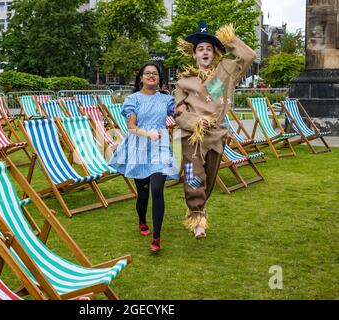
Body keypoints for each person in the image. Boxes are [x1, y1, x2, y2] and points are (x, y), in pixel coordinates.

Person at [174, 20, 257, 239]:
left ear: (214, 52)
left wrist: (229, 40)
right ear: (194, 54)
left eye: (208, 48)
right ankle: (197, 217)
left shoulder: (226, 71)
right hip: (193, 135)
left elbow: (249, 57)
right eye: (200, 49)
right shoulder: (184, 81)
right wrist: (196, 122)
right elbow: (178, 111)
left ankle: (199, 210)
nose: (204, 52)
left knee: (208, 178)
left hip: (217, 134)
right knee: (194, 175)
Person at [109, 62, 179, 252]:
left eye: (155, 74)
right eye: (147, 73)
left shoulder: (166, 100)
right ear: (141, 77)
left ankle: (156, 238)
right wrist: (149, 134)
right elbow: (131, 127)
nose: (151, 76)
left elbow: (181, 115)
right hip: (139, 147)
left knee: (157, 190)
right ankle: (142, 220)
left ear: (159, 79)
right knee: (143, 194)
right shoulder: (133, 99)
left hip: (160, 148)